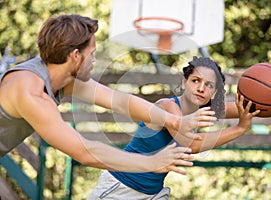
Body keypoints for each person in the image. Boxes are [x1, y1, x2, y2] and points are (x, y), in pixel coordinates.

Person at [0, 15, 218, 174]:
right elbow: (84, 152)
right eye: (92, 54)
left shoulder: (61, 77)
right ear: (76, 56)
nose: (94, 60)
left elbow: (121, 102)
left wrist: (173, 119)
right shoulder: (31, 93)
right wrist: (152, 162)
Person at [88, 56, 260, 199]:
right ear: (184, 83)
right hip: (121, 186)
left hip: (152, 193)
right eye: (195, 81)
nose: (201, 88)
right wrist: (240, 128)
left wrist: (267, 100)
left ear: (214, 93)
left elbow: (247, 107)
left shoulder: (204, 109)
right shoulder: (167, 106)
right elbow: (191, 145)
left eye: (209, 85)